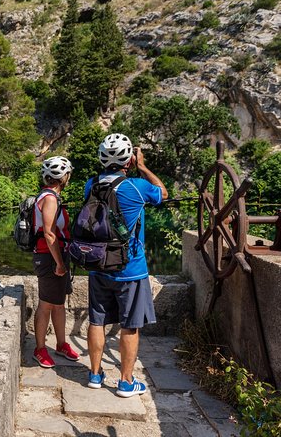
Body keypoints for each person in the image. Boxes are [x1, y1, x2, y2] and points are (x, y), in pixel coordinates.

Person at [84, 133, 168, 397]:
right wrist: (142, 166)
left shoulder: (91, 184)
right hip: (130, 269)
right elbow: (163, 193)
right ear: (129, 159)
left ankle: (95, 375)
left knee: (97, 321)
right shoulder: (136, 187)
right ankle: (125, 382)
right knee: (130, 326)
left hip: (97, 263)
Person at [32, 156, 80, 368]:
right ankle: (40, 349)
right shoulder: (50, 199)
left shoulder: (50, 197)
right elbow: (50, 234)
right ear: (64, 177)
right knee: (46, 304)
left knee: (59, 304)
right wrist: (59, 263)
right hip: (49, 257)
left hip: (56, 255)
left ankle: (61, 344)